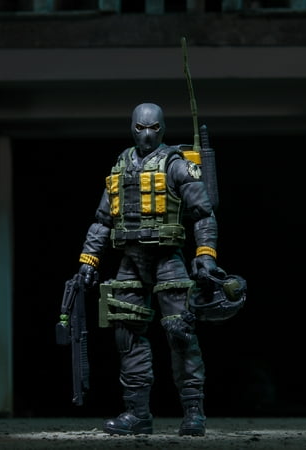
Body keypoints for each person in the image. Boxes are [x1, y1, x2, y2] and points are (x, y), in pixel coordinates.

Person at [78, 102, 222, 436]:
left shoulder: (176, 165)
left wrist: (206, 255)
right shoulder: (121, 165)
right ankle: (137, 414)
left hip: (168, 259)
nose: (146, 135)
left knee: (180, 333)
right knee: (126, 335)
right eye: (140, 128)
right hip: (130, 261)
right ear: (132, 128)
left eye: (153, 128)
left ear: (162, 128)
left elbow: (203, 214)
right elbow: (102, 219)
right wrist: (88, 259)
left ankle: (194, 414)